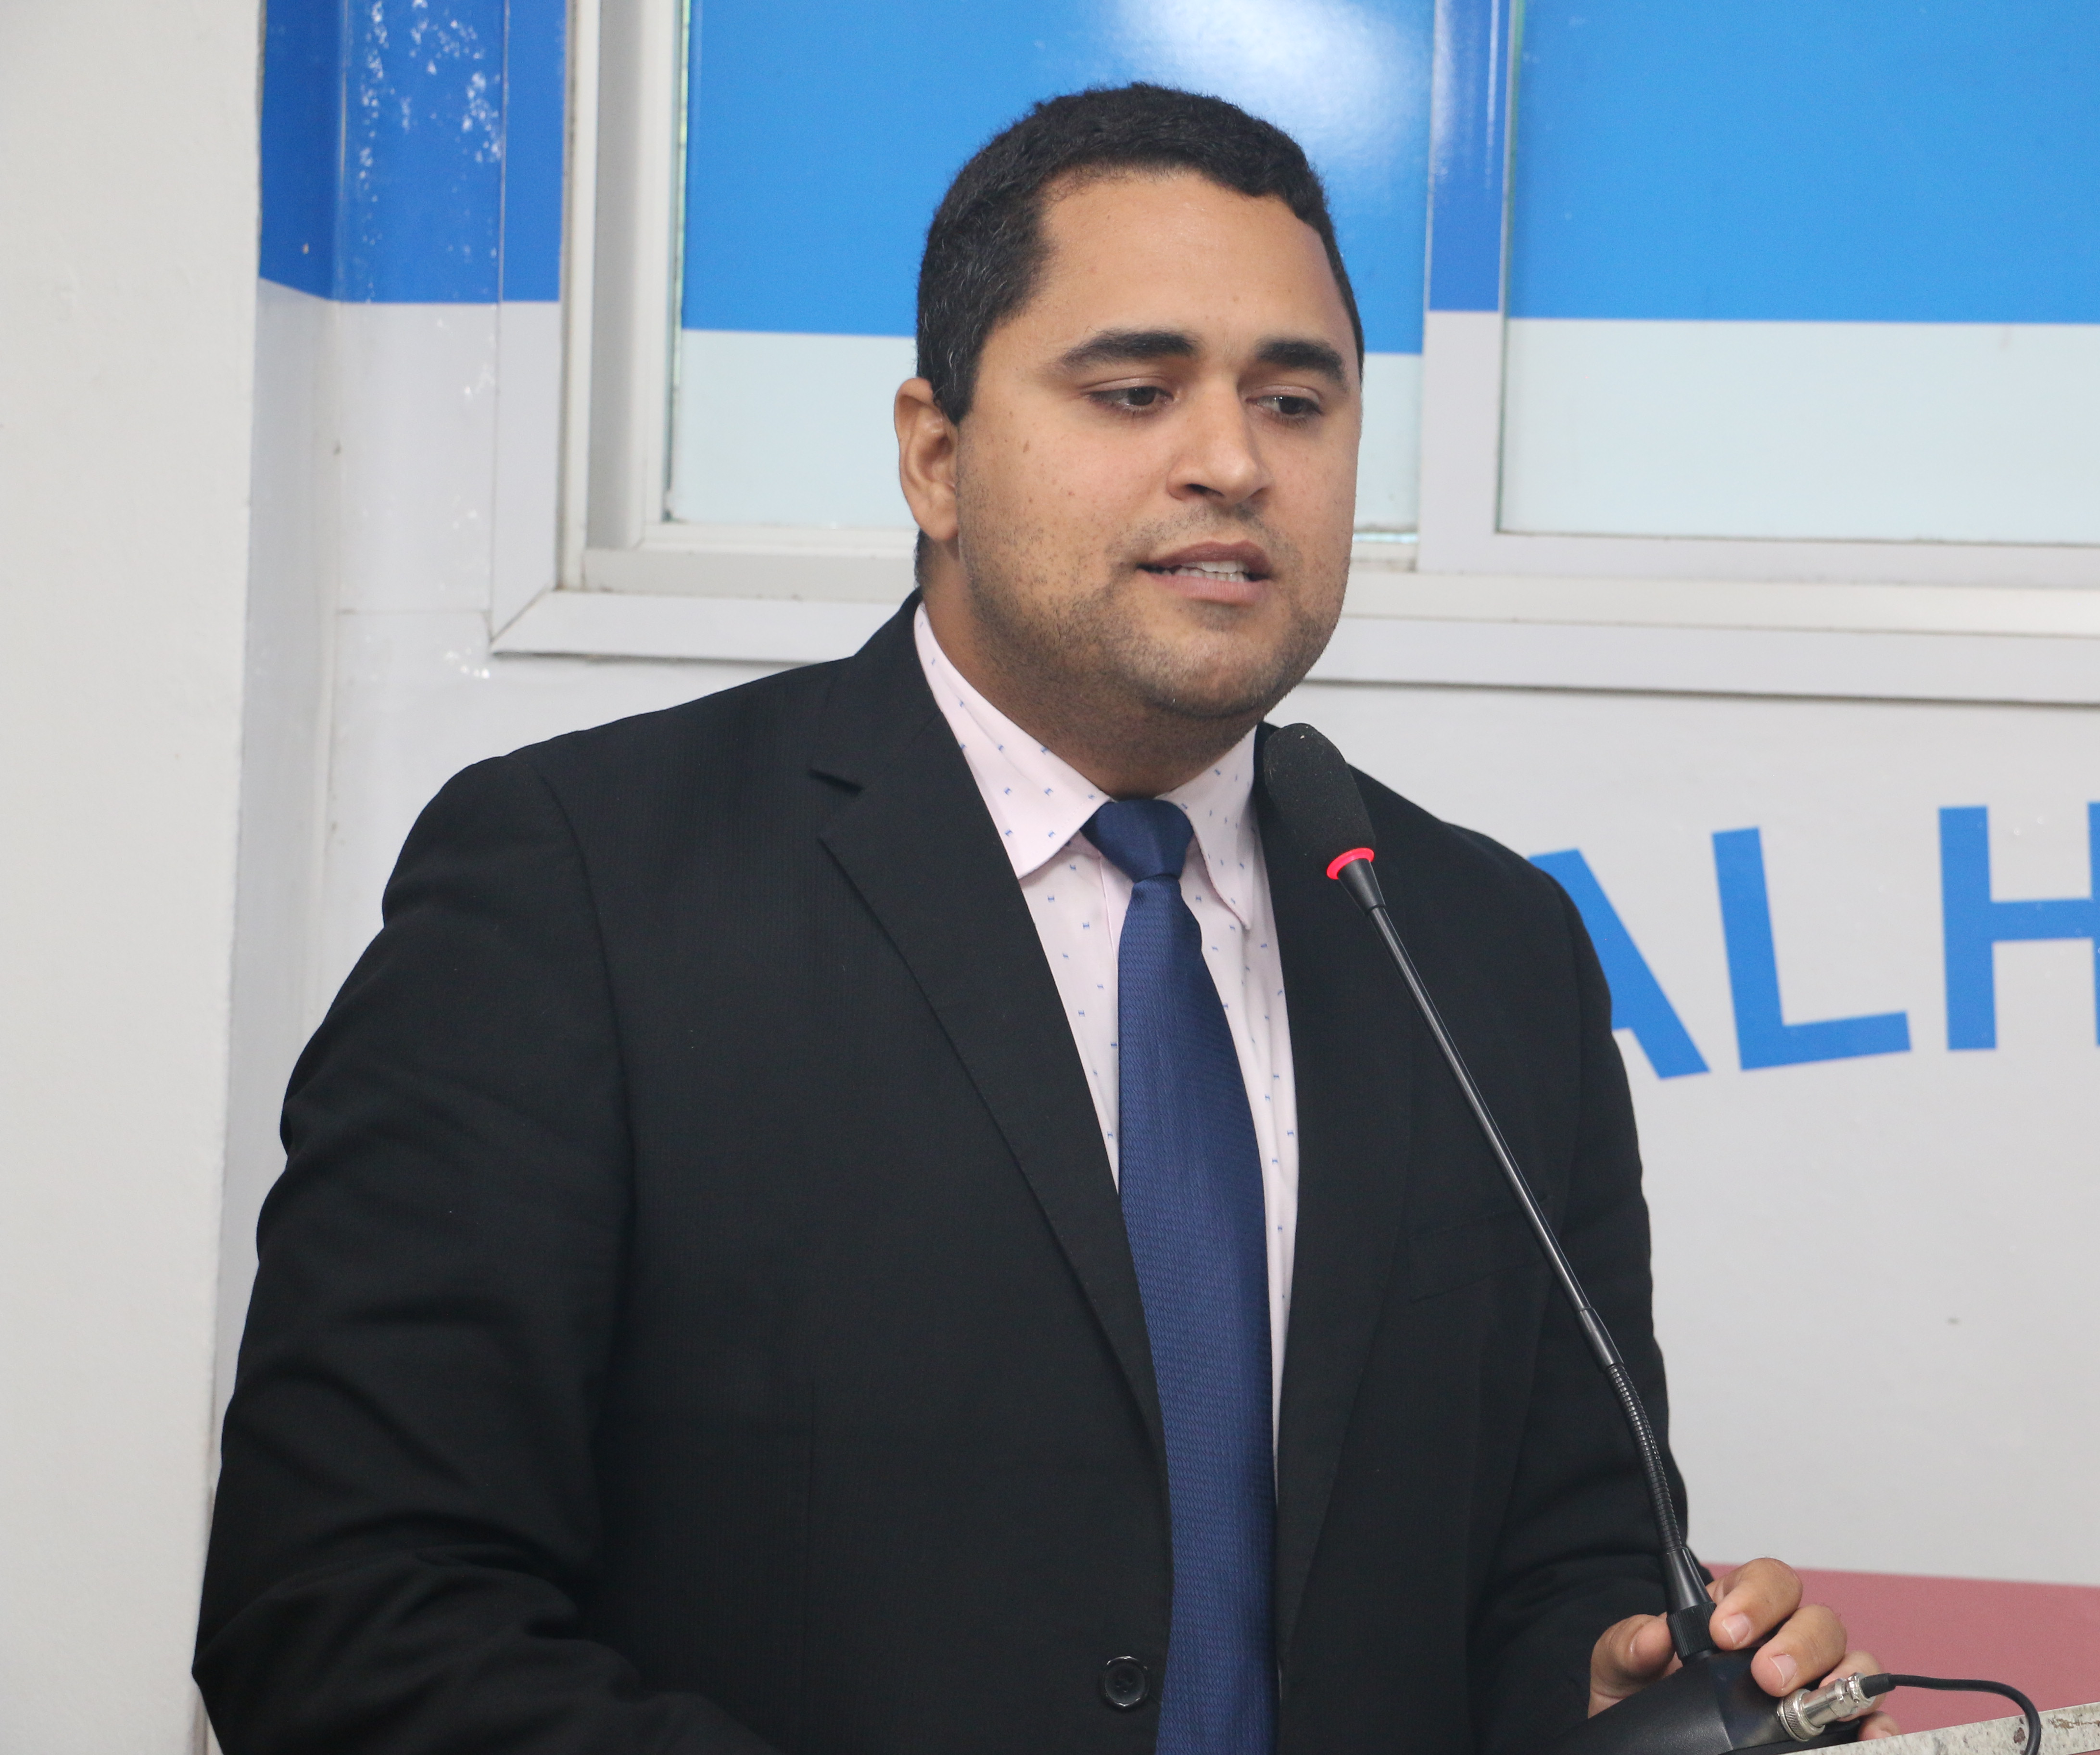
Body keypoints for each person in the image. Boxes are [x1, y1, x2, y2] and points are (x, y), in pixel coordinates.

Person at [196, 84, 1894, 1753]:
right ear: (936, 456)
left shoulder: (1482, 948)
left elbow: (1561, 1558)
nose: (1232, 461)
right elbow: (343, 1615)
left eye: (1297, 402)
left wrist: (1612, 1695)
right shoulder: (582, 886)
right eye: (1136, 391)